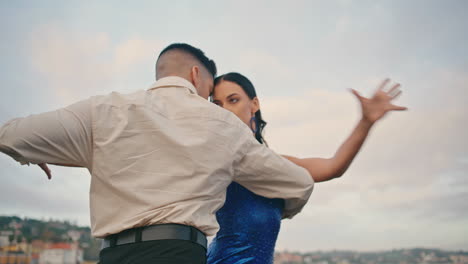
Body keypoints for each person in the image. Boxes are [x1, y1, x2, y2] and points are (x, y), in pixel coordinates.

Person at [0, 44, 314, 264]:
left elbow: (10, 134)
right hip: (180, 254)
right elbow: (300, 183)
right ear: (196, 76)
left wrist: (31, 152)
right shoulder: (223, 126)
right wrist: (277, 210)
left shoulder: (103, 109)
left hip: (111, 255)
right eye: (209, 94)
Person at [207, 72, 407, 264]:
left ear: (254, 104)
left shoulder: (276, 166)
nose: (224, 110)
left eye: (233, 100)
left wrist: (366, 122)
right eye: (217, 105)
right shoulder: (214, 161)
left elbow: (333, 167)